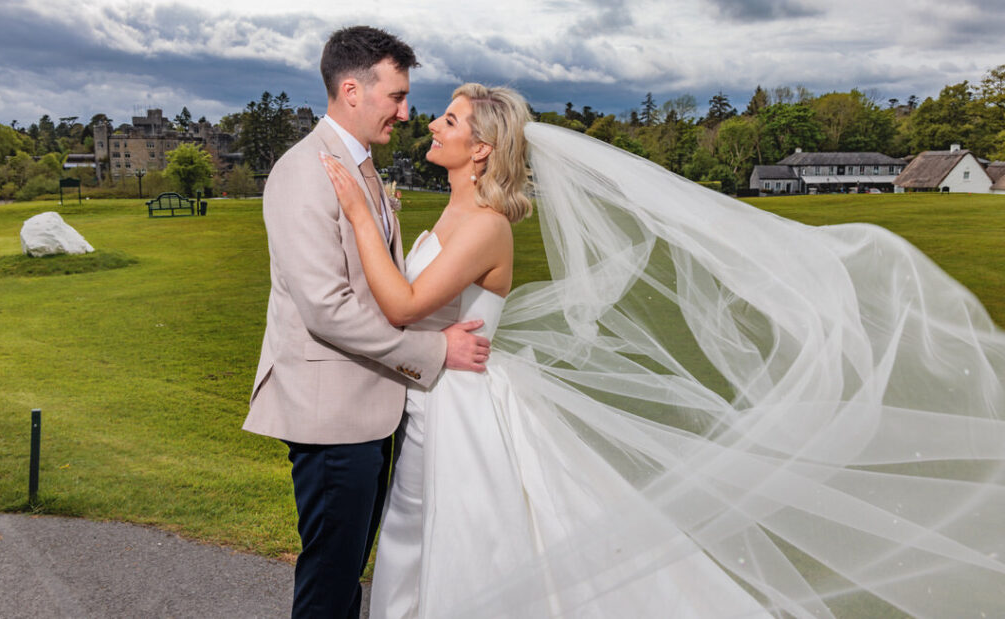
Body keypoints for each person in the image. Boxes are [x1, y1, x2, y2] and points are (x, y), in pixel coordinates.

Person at [325, 83, 1005, 618]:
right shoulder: (452, 210)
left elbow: (404, 306)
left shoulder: (484, 226)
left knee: (467, 543)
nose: (433, 125)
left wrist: (358, 215)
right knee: (416, 535)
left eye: (448, 120)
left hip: (464, 410)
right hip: (434, 398)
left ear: (481, 149)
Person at [242, 26, 491, 619]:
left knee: (346, 570)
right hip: (331, 413)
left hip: (371, 407)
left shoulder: (362, 169)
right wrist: (434, 352)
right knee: (330, 580)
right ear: (352, 91)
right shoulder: (304, 172)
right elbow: (326, 309)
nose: (406, 113)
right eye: (396, 97)